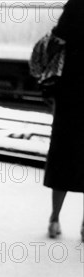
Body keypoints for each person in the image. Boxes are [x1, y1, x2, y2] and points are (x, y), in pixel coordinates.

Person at [43, 0, 84, 241]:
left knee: (63, 155)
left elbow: (57, 38)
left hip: (70, 93)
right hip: (72, 93)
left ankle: (54, 218)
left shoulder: (76, 4)